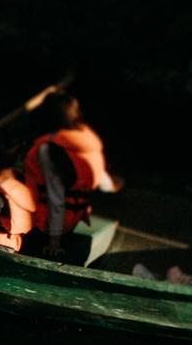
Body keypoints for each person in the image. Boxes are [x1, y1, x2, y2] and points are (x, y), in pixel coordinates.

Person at [18, 92, 120, 257]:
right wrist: (115, 185)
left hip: (47, 227)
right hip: (73, 219)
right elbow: (106, 184)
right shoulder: (88, 143)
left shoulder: (49, 148)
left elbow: (56, 197)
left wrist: (54, 242)